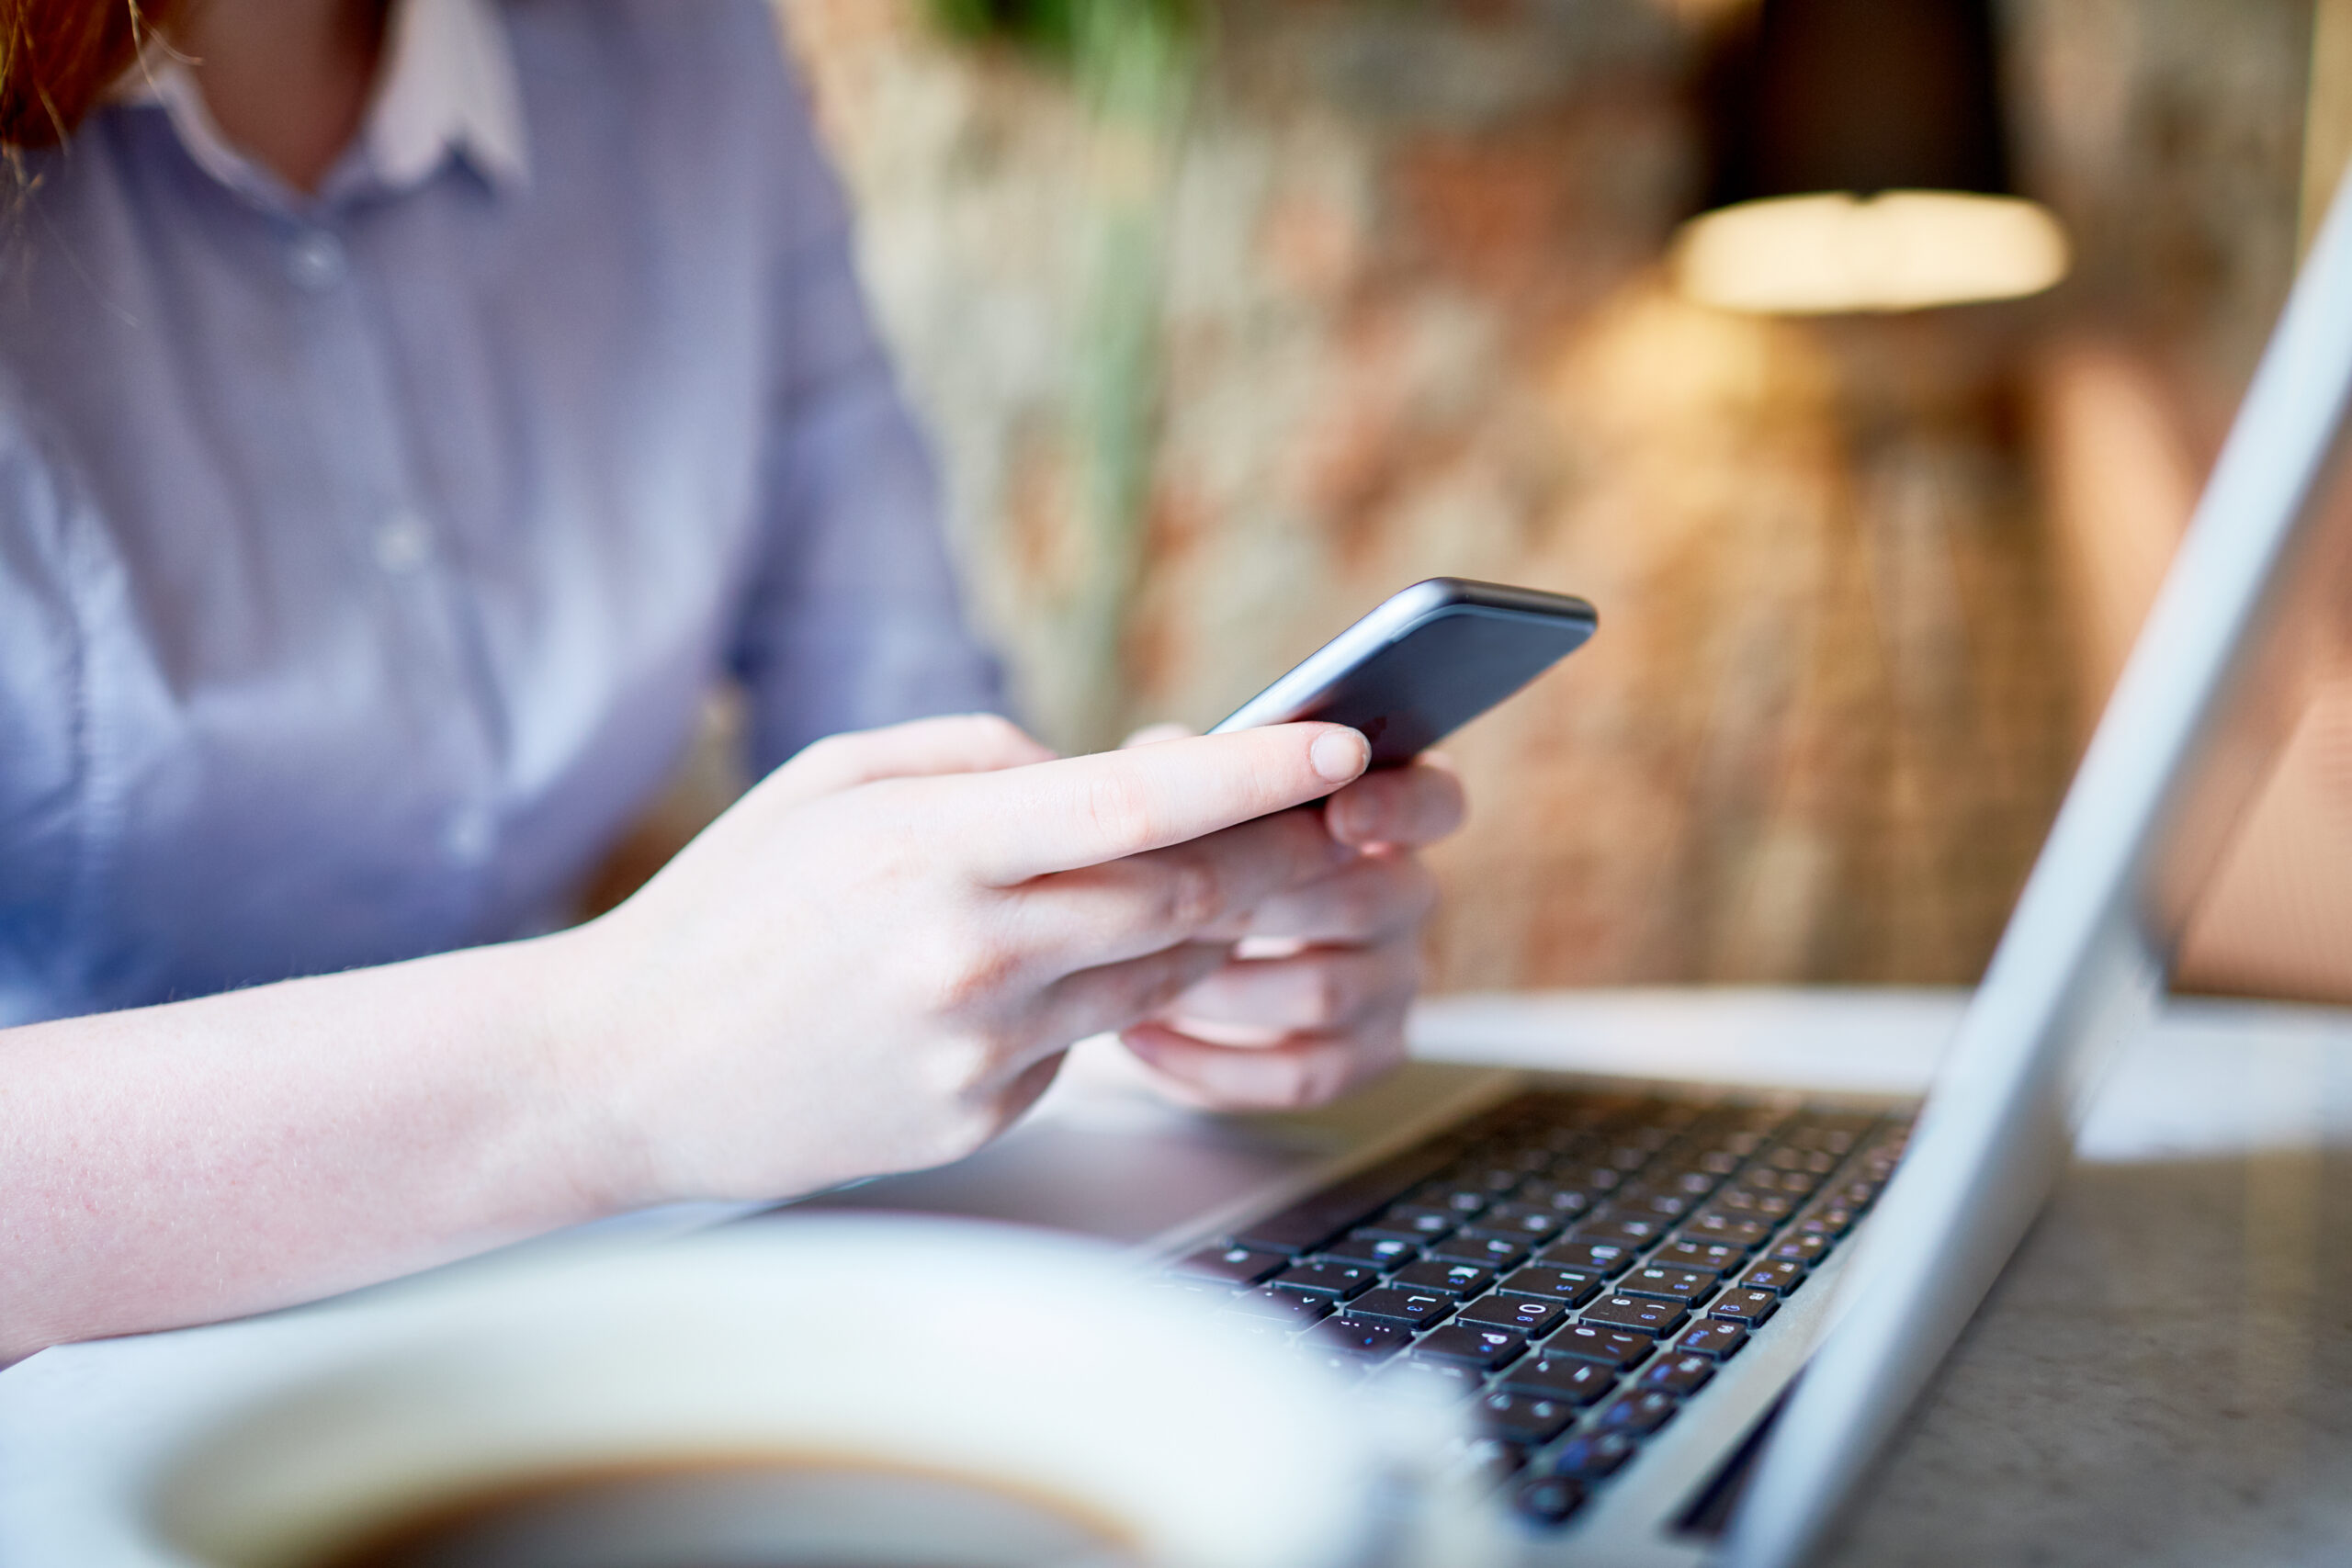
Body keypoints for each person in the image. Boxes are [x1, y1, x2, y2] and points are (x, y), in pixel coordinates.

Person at [0, 0, 1464, 1362]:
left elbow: (906, 737)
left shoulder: (684, 53)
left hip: (562, 1319)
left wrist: (1118, 962)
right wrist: (612, 1063)